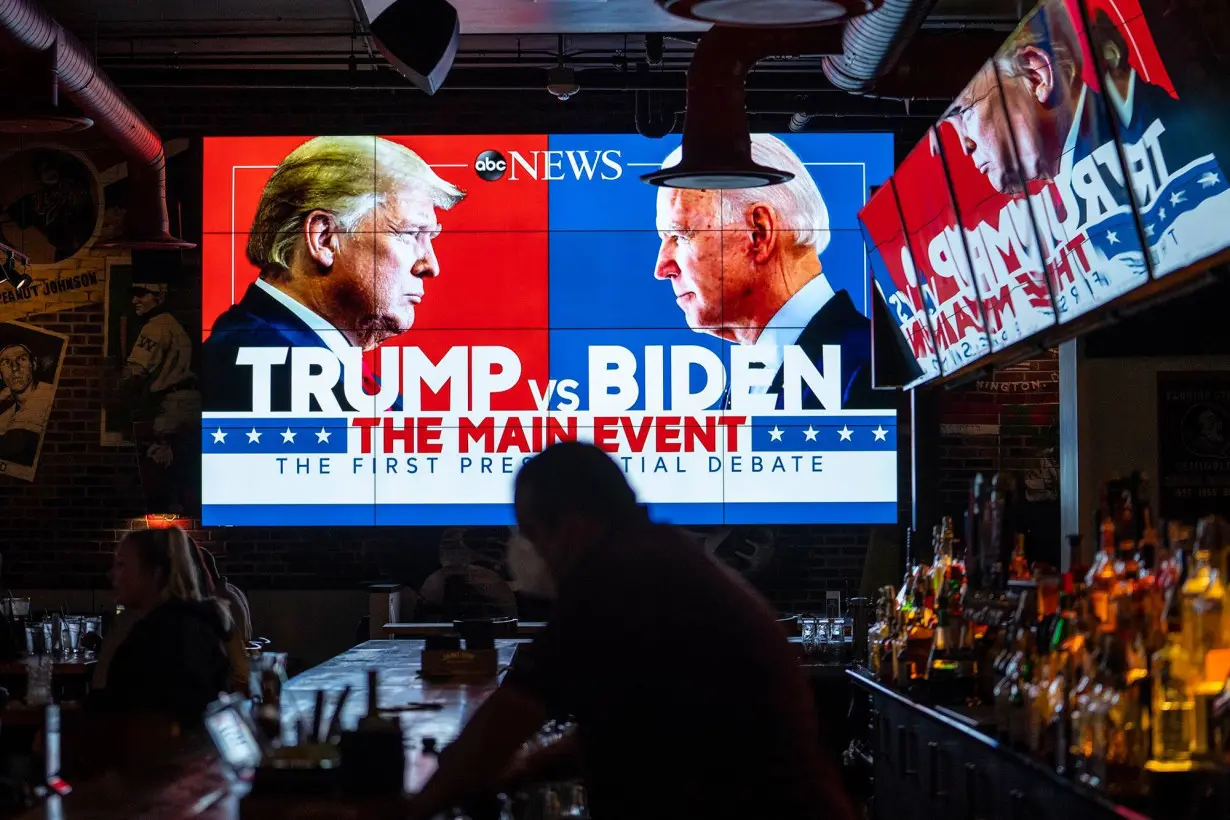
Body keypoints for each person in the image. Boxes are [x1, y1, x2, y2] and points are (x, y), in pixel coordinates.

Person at [406, 442, 855, 820]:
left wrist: (411, 809)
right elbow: (629, 724)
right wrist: (523, 771)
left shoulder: (621, 578)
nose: (525, 550)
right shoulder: (655, 556)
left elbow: (509, 716)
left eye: (530, 532)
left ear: (573, 525)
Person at [202, 136, 466, 413]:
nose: (430, 265)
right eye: (411, 234)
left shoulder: (291, 360)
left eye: (430, 237)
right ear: (324, 238)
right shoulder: (267, 369)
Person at [654, 134, 879, 410]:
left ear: (758, 233)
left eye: (680, 235)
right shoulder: (754, 375)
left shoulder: (869, 370)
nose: (662, 268)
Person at [91, 527, 233, 727]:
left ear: (154, 574)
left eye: (122, 565)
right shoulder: (198, 625)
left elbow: (129, 719)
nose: (112, 574)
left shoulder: (153, 639)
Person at [0, 342, 55, 467]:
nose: (15, 367)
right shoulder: (7, 415)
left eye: (22, 359)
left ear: (34, 364)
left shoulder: (49, 397)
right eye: (6, 362)